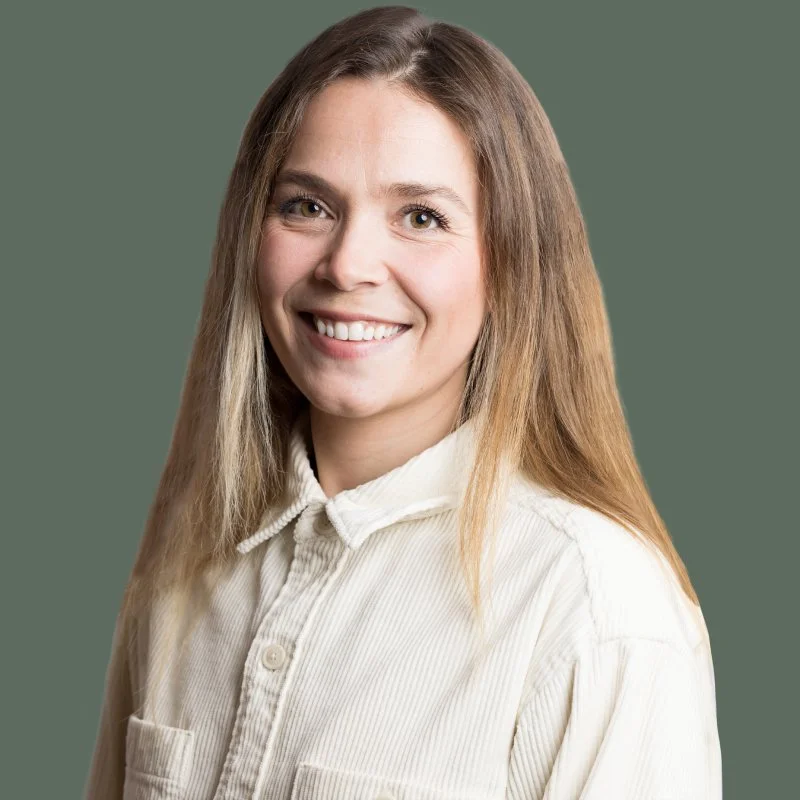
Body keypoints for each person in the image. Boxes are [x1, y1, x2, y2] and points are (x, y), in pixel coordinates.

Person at [84, 5, 722, 799]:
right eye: (307, 206)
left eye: (422, 217)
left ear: (513, 266)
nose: (348, 263)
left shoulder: (595, 611)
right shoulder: (186, 560)